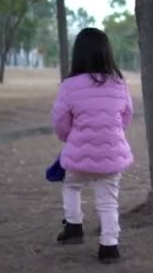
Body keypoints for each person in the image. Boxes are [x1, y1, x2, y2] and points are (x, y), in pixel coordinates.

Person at [51, 27, 133, 264]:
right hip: (112, 154)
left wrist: (69, 138)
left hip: (79, 155)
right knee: (108, 200)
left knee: (70, 184)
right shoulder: (119, 83)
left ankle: (74, 226)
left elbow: (59, 121)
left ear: (78, 54)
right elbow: (126, 115)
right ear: (107, 53)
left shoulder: (69, 86)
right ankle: (109, 247)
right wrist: (112, 133)